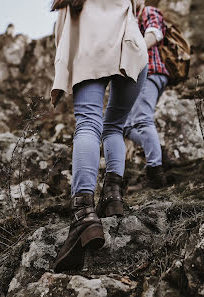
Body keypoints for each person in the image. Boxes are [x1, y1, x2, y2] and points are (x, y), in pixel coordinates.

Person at [50, 0, 148, 272]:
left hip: (91, 52)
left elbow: (61, 34)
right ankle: (113, 196)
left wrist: (62, 74)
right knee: (114, 125)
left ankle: (83, 215)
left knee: (88, 124)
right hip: (132, 51)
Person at [123, 0, 169, 188]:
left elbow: (155, 33)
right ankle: (156, 148)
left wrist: (133, 51)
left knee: (142, 119)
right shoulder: (128, 19)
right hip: (136, 78)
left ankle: (156, 174)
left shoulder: (148, 11)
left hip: (151, 72)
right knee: (124, 125)